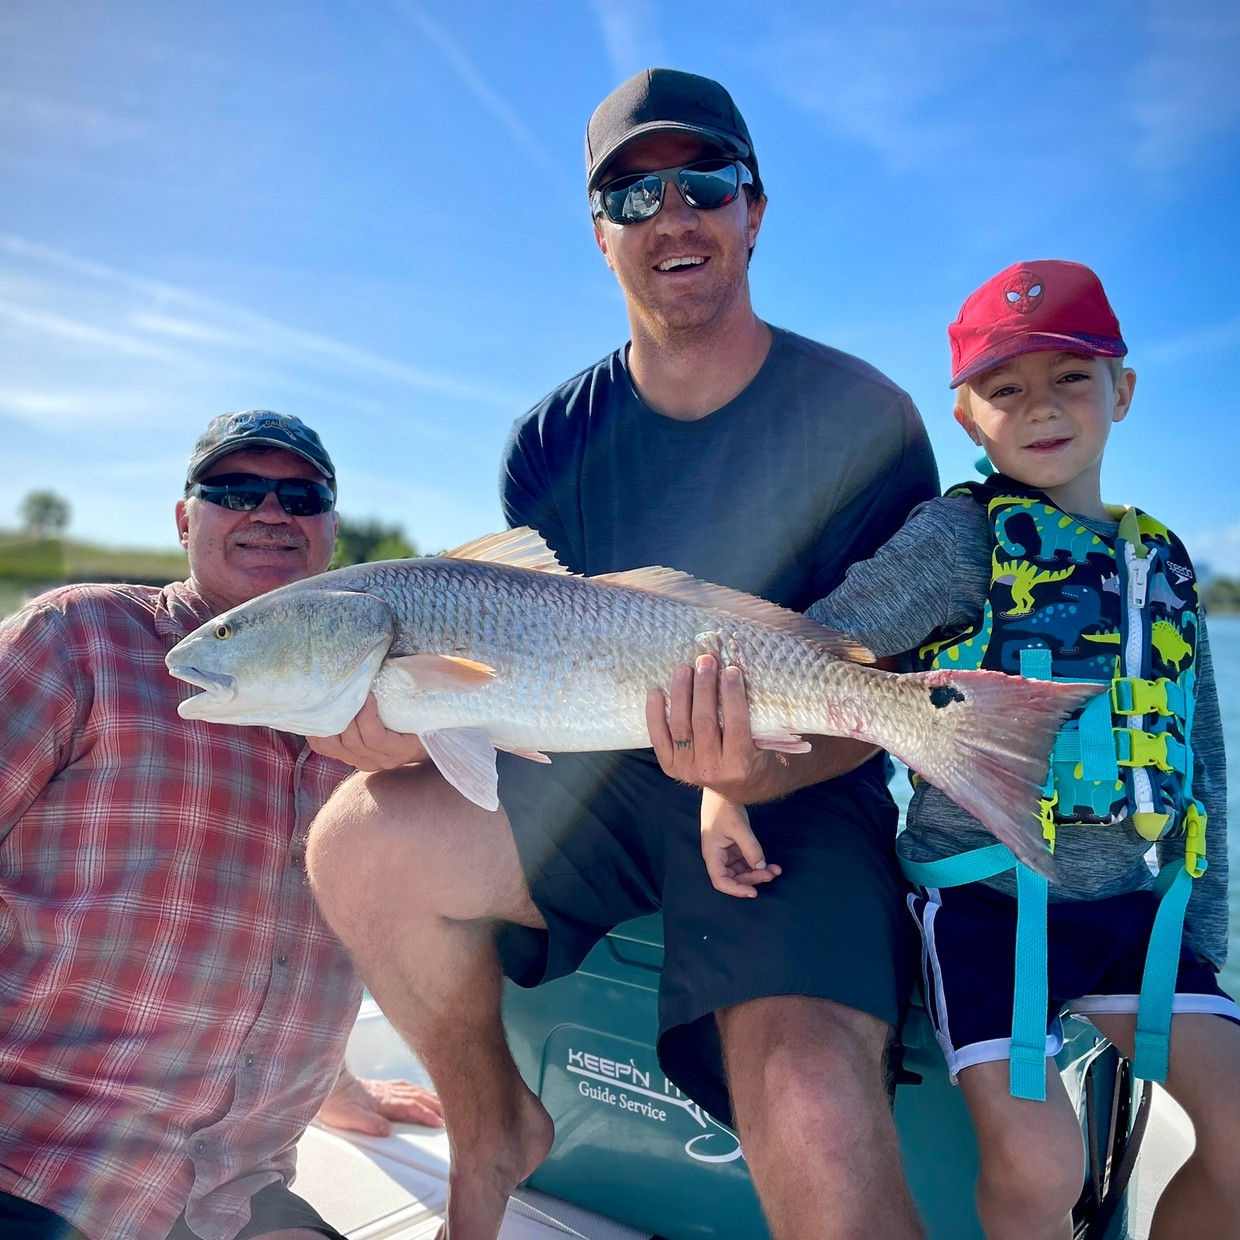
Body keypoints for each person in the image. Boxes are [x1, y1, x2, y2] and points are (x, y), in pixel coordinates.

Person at [307, 69, 938, 1240]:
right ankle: (492, 1127)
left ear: (755, 209)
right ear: (598, 233)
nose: (671, 215)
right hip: (597, 776)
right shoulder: (550, 442)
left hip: (799, 791)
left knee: (810, 1109)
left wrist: (750, 773)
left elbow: (874, 684)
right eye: (632, 196)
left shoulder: (867, 418)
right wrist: (415, 724)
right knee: (355, 841)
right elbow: (532, 669)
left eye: (704, 182)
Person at [702, 259, 1240, 1239]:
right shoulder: (958, 540)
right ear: (966, 417)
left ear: (1122, 389)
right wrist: (725, 785)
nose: (1041, 405)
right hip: (989, 903)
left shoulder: (1161, 562)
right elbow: (815, 648)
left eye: (1070, 375)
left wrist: (1204, 927)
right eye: (1005, 387)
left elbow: (1201, 750)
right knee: (1041, 1163)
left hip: (1136, 909)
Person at [0, 409, 443, 1240]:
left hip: (236, 1194)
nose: (270, 512)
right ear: (184, 519)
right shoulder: (78, 638)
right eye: (235, 490)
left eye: (301, 498)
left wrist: (339, 1085)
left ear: (330, 530)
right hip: (36, 1165)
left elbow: (288, 942)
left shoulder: (393, 705)